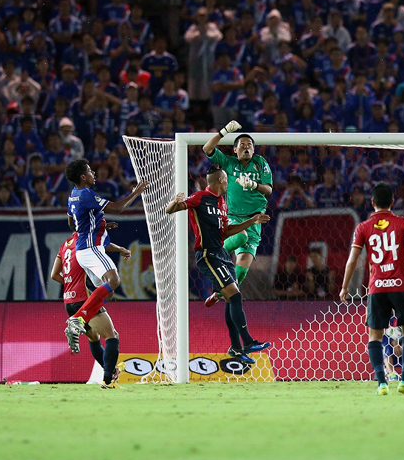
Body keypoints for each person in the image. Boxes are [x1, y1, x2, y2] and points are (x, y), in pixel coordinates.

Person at [165, 165, 271, 362]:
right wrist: (175, 201)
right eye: (226, 179)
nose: (228, 182)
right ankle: (247, 342)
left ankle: (236, 348)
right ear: (221, 180)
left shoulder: (222, 203)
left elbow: (226, 232)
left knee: (231, 298)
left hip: (221, 253)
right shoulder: (199, 197)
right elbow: (170, 210)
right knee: (235, 295)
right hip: (208, 255)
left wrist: (252, 221)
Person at [339, 182, 404, 396]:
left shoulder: (363, 227)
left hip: (377, 288)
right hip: (401, 286)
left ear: (372, 203)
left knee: (374, 337)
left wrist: (344, 287)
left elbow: (352, 260)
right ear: (392, 202)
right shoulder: (403, 223)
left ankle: (382, 383)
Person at [63, 159, 147, 367]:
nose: (93, 173)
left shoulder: (73, 195)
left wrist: (94, 225)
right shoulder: (86, 194)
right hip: (91, 248)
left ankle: (80, 321)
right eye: (90, 171)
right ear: (83, 177)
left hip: (83, 250)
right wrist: (137, 192)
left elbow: (71, 222)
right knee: (114, 280)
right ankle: (79, 318)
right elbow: (118, 207)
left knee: (106, 292)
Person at [202, 121, 273, 306]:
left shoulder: (260, 162)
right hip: (232, 216)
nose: (246, 147)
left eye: (249, 145)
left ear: (254, 150)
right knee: (241, 236)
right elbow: (207, 148)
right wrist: (224, 131)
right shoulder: (229, 162)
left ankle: (219, 293)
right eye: (242, 145)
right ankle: (213, 254)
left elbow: (269, 189)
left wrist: (253, 185)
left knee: (242, 268)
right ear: (235, 150)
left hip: (255, 219)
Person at [50, 227, 130, 389]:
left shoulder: (64, 245)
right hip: (84, 300)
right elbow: (103, 245)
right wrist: (121, 249)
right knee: (112, 336)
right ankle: (108, 381)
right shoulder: (84, 243)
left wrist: (71, 285)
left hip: (69, 301)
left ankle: (110, 372)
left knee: (94, 338)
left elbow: (54, 275)